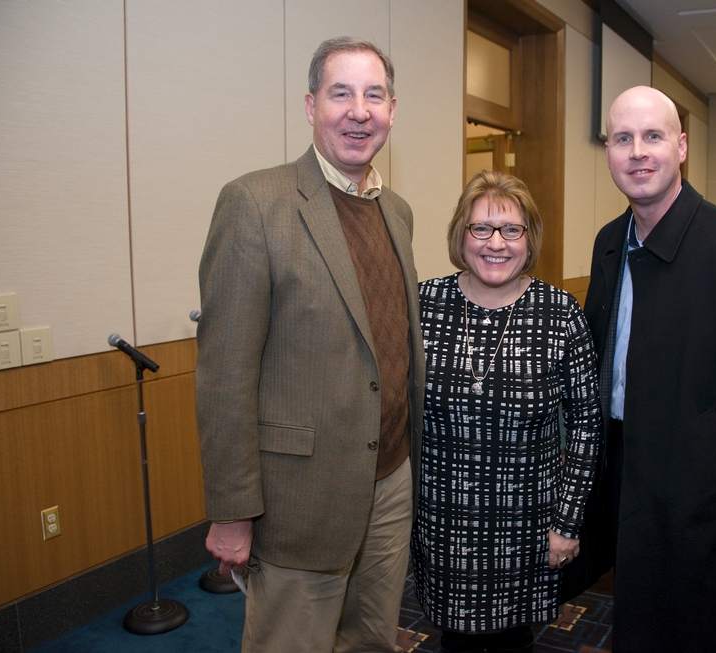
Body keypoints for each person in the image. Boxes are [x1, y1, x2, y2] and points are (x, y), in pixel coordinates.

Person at [195, 37, 424, 652]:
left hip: (389, 481)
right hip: (298, 497)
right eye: (340, 93)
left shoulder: (396, 212)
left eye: (373, 95)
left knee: (372, 640)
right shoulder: (255, 204)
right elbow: (224, 375)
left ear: (393, 110)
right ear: (310, 105)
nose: (359, 111)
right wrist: (232, 510)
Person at [565, 86, 716, 652]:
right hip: (622, 469)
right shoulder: (608, 242)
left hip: (699, 487)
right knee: (634, 617)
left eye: (653, 136)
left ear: (682, 146)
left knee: (689, 628)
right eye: (623, 139)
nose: (637, 152)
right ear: (609, 153)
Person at [412, 170, 602, 653]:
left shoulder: (560, 314)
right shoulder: (424, 304)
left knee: (513, 639)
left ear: (528, 238)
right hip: (443, 517)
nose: (495, 243)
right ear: (462, 235)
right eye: (481, 229)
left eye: (511, 230)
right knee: (453, 638)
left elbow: (585, 426)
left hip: (528, 523)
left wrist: (568, 521)